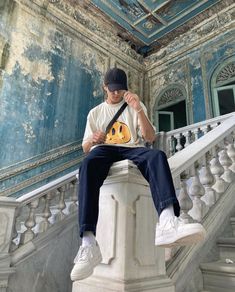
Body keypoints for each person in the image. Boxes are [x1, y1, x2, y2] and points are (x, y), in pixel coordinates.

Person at [70, 68, 206, 281]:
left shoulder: (134, 104)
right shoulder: (95, 113)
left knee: (157, 156)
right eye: (113, 90)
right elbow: (86, 147)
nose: (116, 94)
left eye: (120, 90)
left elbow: (150, 137)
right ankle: (88, 243)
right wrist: (94, 140)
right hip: (104, 148)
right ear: (105, 87)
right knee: (87, 164)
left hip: (131, 148)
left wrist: (138, 110)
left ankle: (168, 221)